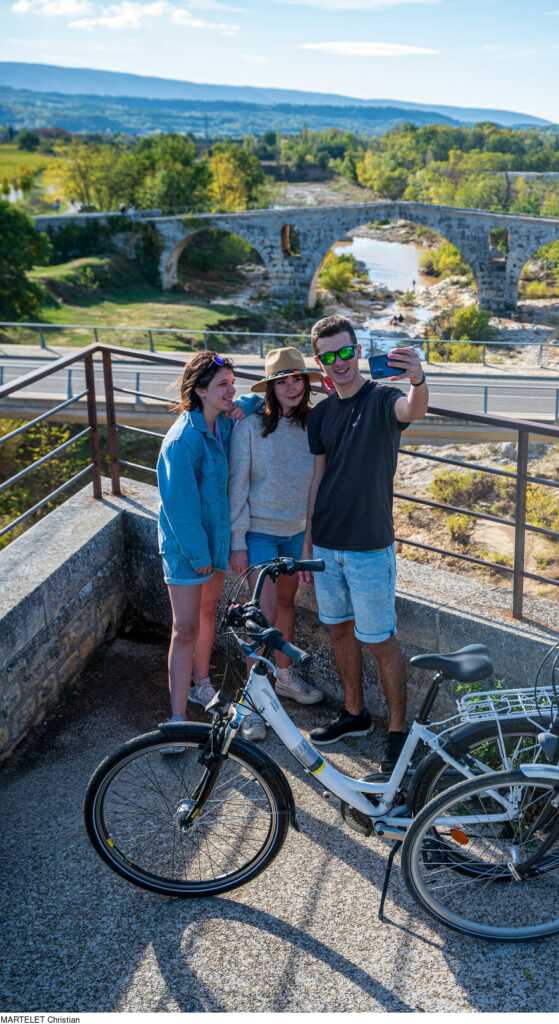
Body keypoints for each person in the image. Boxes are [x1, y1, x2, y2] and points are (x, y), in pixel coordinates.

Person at [298, 315, 429, 773]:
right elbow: (317, 482)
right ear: (320, 362)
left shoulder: (382, 398)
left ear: (357, 350)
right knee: (338, 630)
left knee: (380, 641)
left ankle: (397, 732)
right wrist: (308, 547)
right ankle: (354, 714)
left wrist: (417, 377)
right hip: (327, 544)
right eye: (329, 356)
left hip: (370, 546)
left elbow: (413, 411)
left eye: (345, 352)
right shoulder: (320, 415)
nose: (340, 362)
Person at [156, 352, 260, 740]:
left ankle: (203, 684)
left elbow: (258, 400)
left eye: (233, 382)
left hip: (214, 544)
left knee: (207, 613)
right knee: (184, 629)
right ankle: (177, 719)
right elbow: (179, 510)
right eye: (223, 385)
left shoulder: (223, 424)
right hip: (188, 551)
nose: (232, 390)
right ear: (200, 390)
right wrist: (200, 558)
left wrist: (241, 403)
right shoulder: (182, 441)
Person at [228, 348, 326, 733]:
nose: (291, 387)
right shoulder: (250, 425)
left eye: (297, 379)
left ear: (306, 382)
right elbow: (237, 486)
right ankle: (253, 701)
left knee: (286, 606)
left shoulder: (315, 423)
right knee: (260, 616)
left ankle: (283, 679)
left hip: (298, 533)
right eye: (281, 381)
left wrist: (312, 540)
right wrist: (238, 541)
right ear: (270, 387)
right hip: (259, 532)